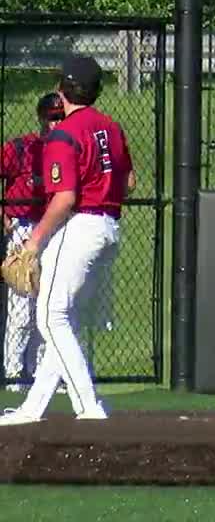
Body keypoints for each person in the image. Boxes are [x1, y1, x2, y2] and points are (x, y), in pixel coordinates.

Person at [0, 55, 134, 425]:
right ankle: (32, 408)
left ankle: (88, 404)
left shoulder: (64, 134)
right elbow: (129, 181)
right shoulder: (111, 126)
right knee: (65, 319)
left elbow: (64, 199)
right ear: (97, 90)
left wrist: (34, 242)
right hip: (109, 228)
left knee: (50, 316)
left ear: (61, 91)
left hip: (82, 227)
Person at [1, 93, 64, 392]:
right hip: (23, 228)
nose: (55, 122)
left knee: (47, 305)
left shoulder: (66, 149)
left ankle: (39, 372)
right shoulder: (21, 146)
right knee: (21, 305)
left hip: (51, 229)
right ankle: (14, 375)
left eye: (60, 117)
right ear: (40, 118)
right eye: (51, 117)